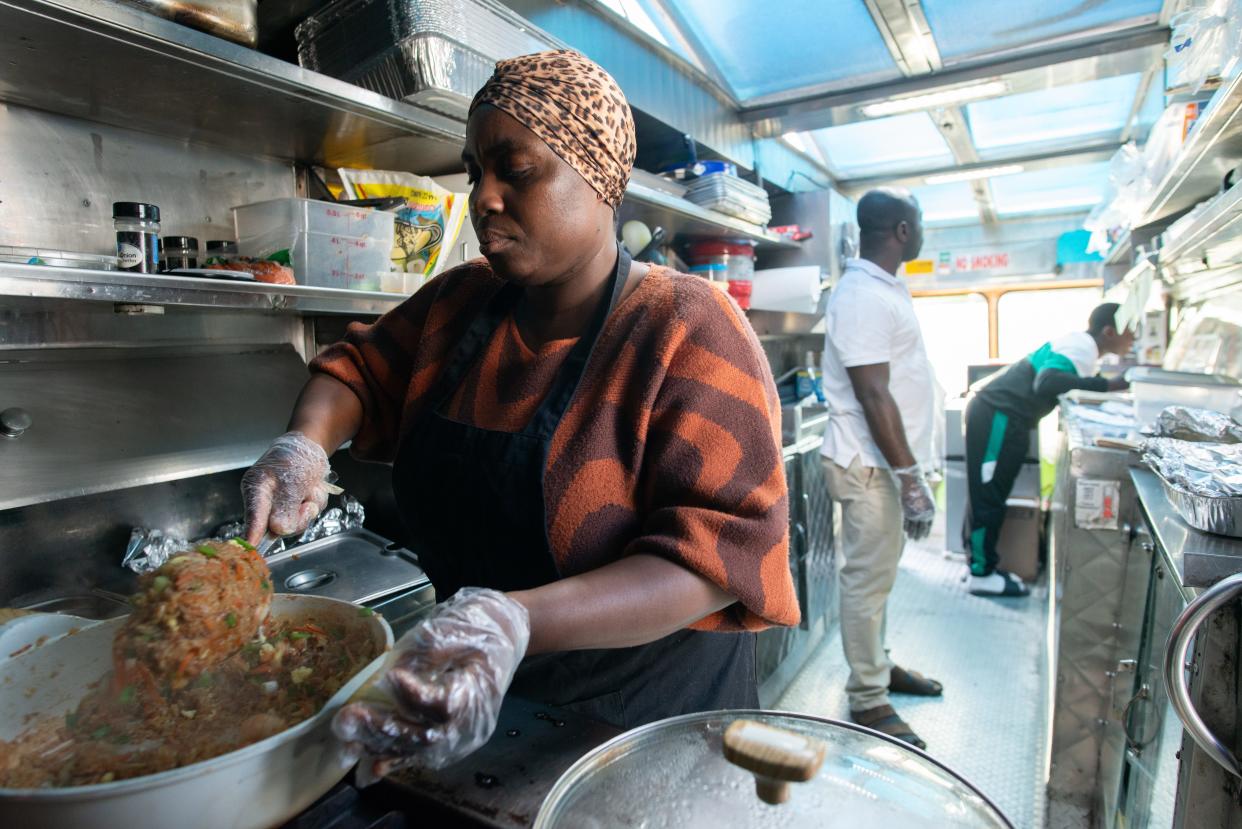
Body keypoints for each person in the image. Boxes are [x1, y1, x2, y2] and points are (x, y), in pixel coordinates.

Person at [240, 50, 799, 779]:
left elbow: (715, 558)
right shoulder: (460, 304)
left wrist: (515, 621)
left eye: (517, 168)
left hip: (646, 735)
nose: (484, 197)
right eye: (475, 170)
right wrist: (305, 444)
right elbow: (357, 373)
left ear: (598, 175)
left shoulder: (686, 326)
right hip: (482, 721)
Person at [818, 188, 942, 750]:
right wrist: (910, 478)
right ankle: (868, 698)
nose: (921, 233)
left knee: (880, 577)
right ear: (899, 231)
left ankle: (879, 666)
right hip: (867, 465)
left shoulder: (884, 286)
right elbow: (873, 396)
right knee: (866, 582)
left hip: (882, 466)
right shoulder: (862, 295)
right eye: (917, 225)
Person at [963, 302, 1135, 596]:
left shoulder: (1080, 346)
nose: (1134, 339)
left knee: (992, 492)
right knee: (989, 494)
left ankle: (981, 565)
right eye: (1131, 331)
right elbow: (1047, 383)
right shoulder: (1080, 346)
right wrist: (1108, 386)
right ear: (1109, 331)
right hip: (998, 415)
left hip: (1005, 418)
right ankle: (981, 572)